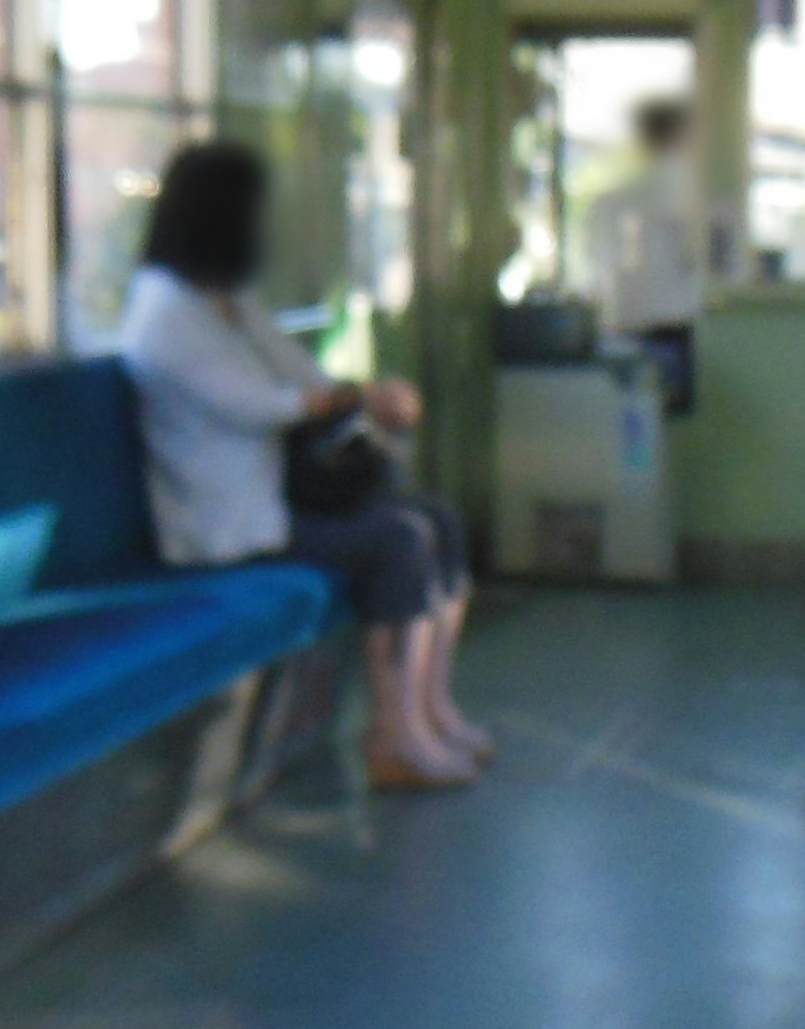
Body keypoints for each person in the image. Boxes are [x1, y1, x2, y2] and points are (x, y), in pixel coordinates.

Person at [119, 140, 493, 790]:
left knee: (438, 520)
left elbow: (301, 374)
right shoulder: (164, 314)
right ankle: (394, 733)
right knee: (398, 541)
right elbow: (254, 404)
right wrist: (348, 397)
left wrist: (355, 392)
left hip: (279, 502)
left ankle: (431, 710)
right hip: (226, 528)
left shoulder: (223, 300)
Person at [582, 94, 703, 412]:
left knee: (637, 424)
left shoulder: (615, 202)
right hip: (682, 325)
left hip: (630, 323)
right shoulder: (693, 195)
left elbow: (599, 269)